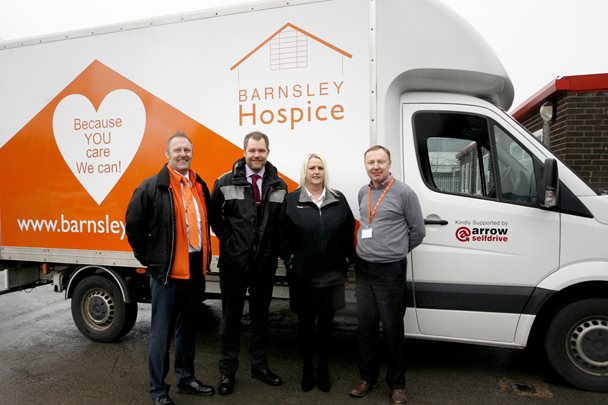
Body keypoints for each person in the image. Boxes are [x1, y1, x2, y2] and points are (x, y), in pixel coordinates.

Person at [125, 132, 215, 405]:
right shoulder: (152, 187)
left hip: (194, 271)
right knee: (161, 334)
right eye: (177, 149)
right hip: (166, 275)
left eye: (187, 149)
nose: (183, 154)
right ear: (167, 154)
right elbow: (133, 226)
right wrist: (150, 260)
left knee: (188, 330)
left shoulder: (199, 185)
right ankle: (158, 390)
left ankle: (186, 378)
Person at [210, 131, 287, 396]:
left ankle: (259, 366)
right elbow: (214, 218)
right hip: (233, 264)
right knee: (230, 319)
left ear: (268, 152)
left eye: (261, 151)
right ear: (244, 151)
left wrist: (274, 250)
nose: (257, 155)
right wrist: (230, 240)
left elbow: (279, 223)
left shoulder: (279, 185)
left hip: (264, 266)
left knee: (260, 318)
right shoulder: (225, 181)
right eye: (252, 150)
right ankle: (227, 371)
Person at [349, 145, 425, 405]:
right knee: (366, 327)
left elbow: (418, 231)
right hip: (364, 269)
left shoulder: (404, 193)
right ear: (366, 165)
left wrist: (395, 250)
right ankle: (367, 378)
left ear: (389, 164)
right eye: (371, 162)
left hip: (390, 270)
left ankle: (397, 384)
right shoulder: (363, 192)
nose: (376, 166)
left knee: (392, 329)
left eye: (380, 161)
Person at [280, 153, 355, 393]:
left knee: (325, 327)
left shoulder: (338, 199)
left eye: (320, 167)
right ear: (305, 172)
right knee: (305, 327)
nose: (316, 172)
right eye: (311, 167)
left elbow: (347, 233)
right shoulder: (291, 200)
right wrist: (290, 262)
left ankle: (323, 368)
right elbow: (282, 236)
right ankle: (307, 369)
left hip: (331, 278)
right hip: (302, 277)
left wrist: (346, 264)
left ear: (325, 172)